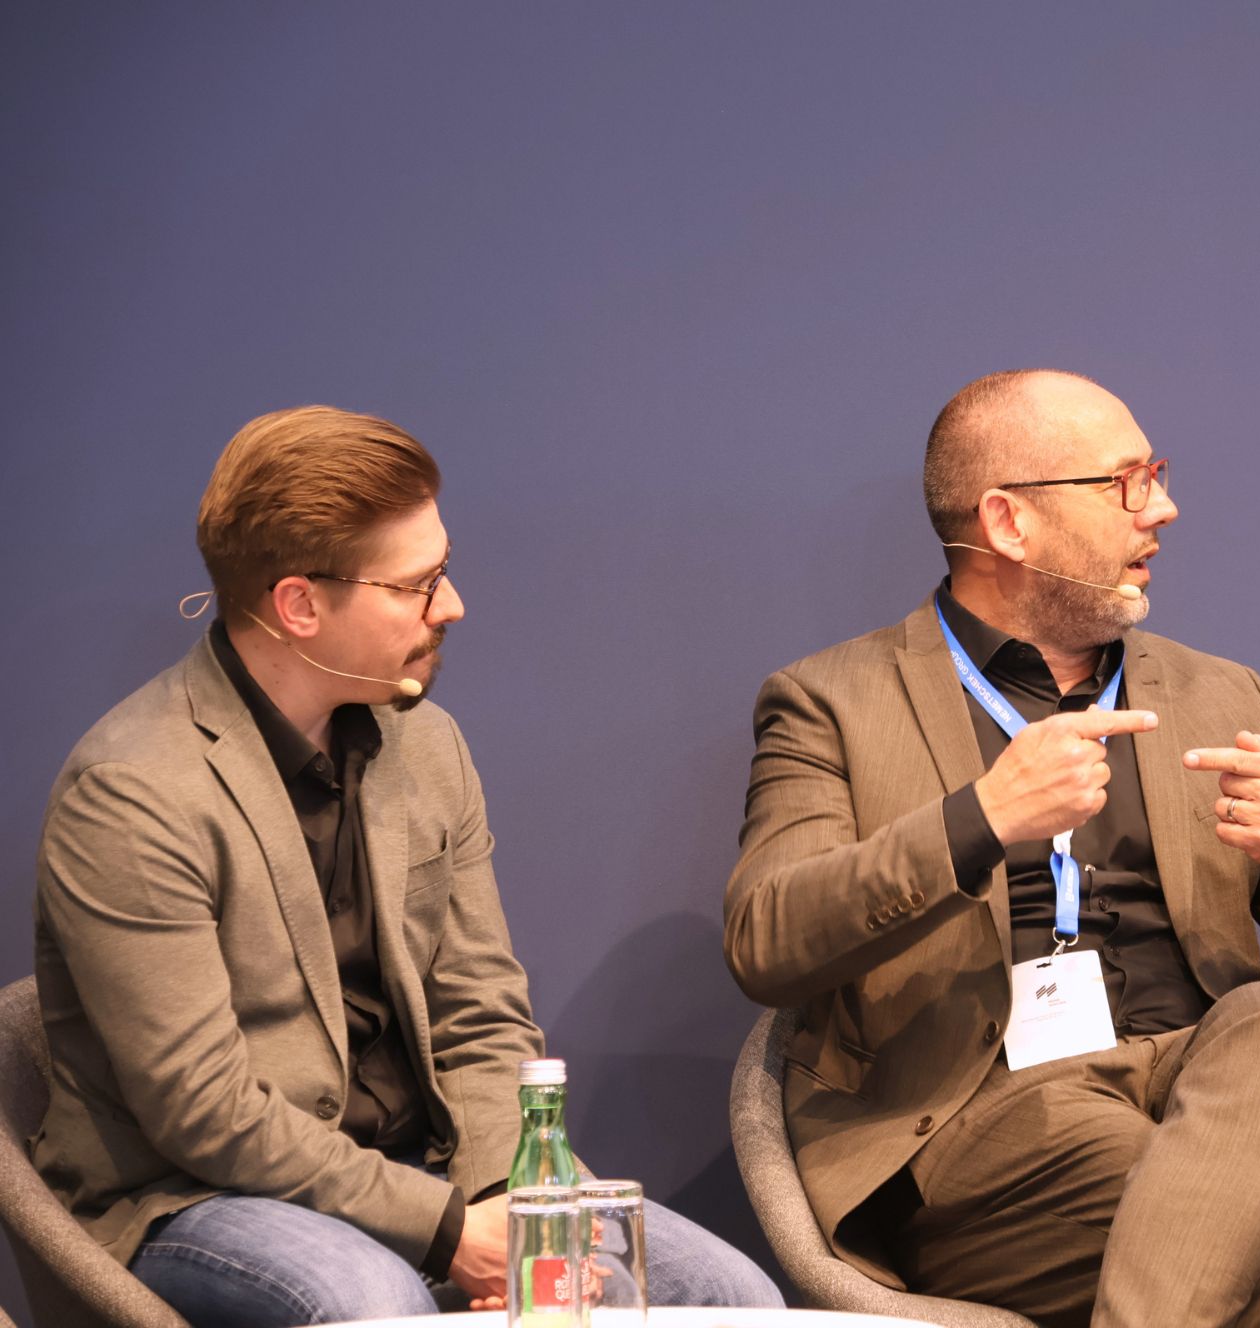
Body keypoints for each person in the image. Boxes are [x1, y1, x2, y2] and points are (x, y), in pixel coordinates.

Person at [724, 369, 1260, 1326]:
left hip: (1210, 1096)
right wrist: (980, 818)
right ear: (1009, 522)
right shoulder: (833, 702)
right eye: (1124, 483)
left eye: (1157, 476)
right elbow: (767, 940)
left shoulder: (1223, 696)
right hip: (985, 1126)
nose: (1164, 509)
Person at [32, 406, 782, 1323]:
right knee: (374, 1300)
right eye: (418, 585)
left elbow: (481, 1009)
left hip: (430, 1165)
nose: (452, 605)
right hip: (196, 1193)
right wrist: (448, 1231)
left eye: (444, 569)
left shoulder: (426, 744)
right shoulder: (132, 791)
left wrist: (504, 1194)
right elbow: (201, 1109)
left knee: (726, 1294)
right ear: (300, 606)